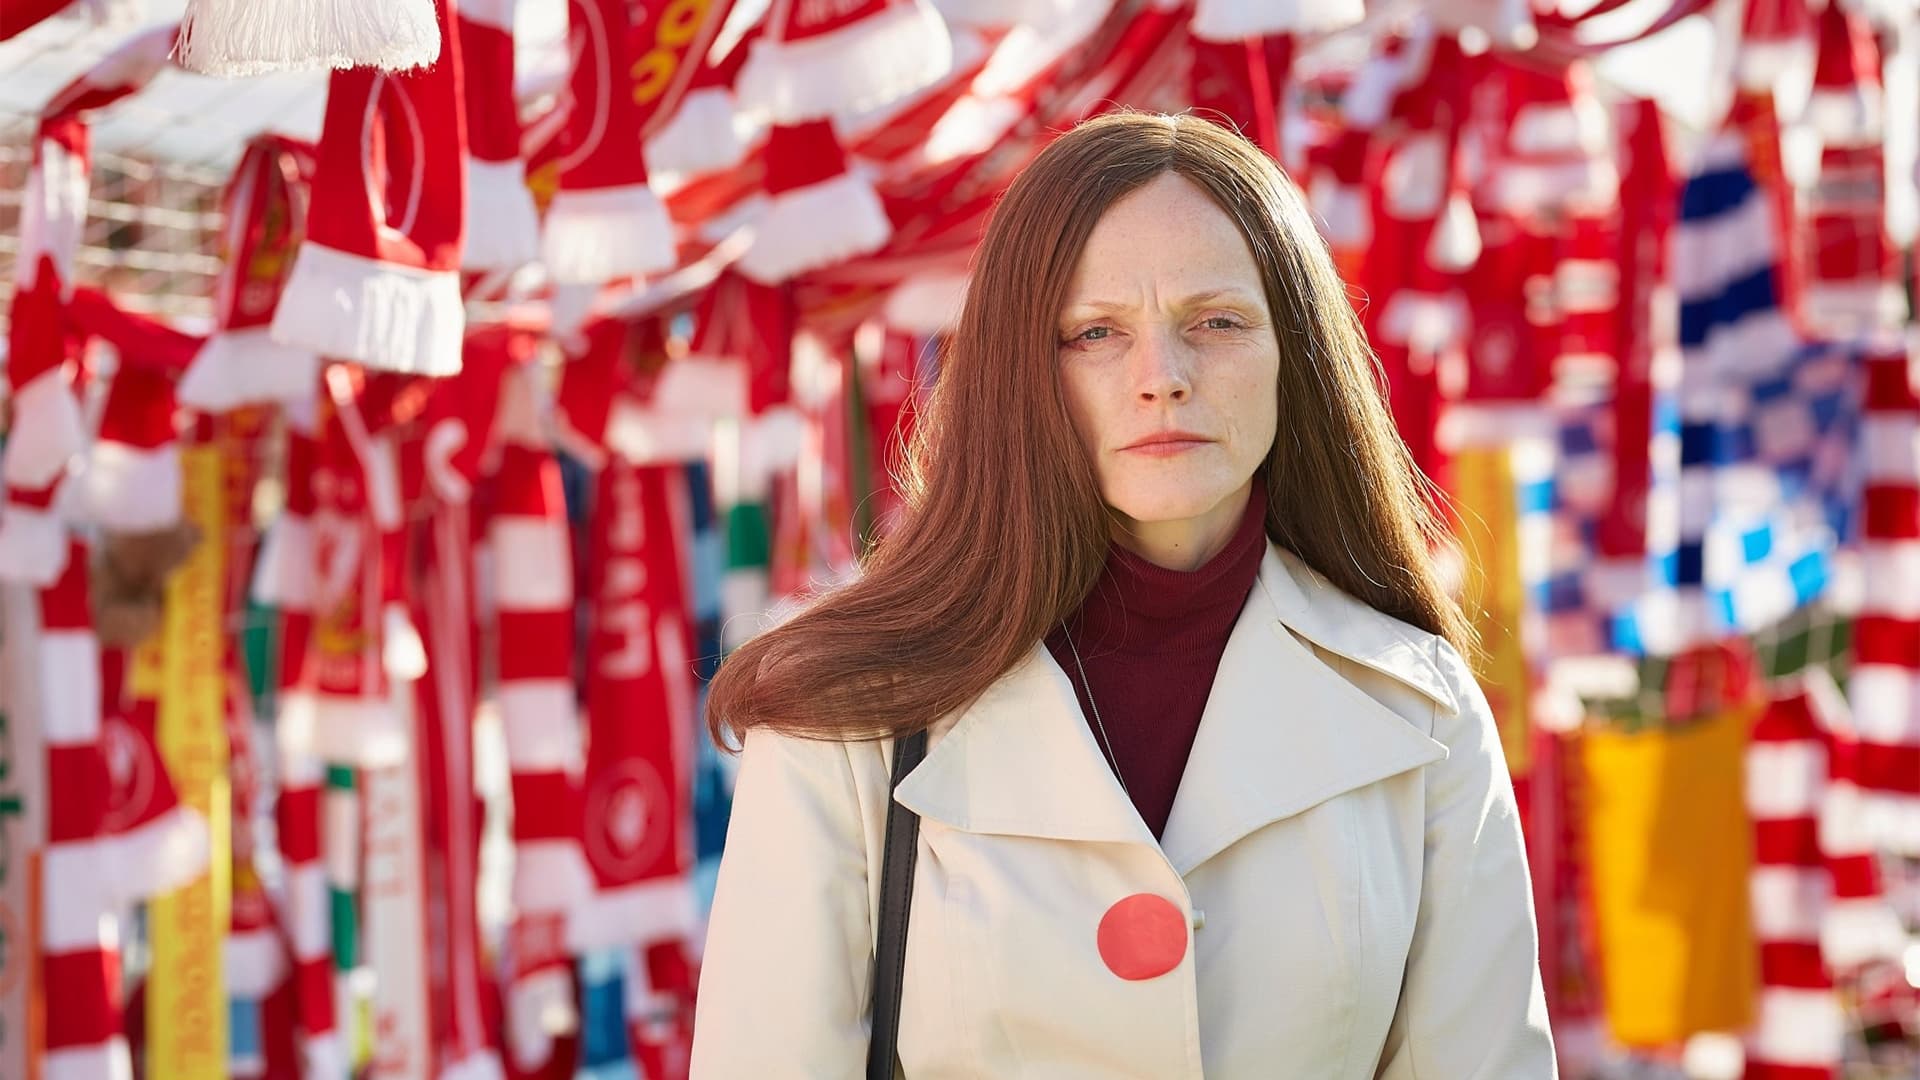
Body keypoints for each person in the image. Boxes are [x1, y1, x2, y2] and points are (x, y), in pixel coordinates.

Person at [689, 110, 1557, 1079]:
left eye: (1217, 322)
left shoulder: (1419, 706)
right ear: (1020, 372)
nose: (1164, 379)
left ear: (1298, 357)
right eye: (1095, 333)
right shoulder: (840, 713)